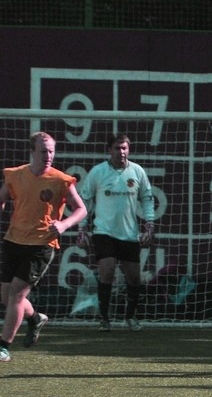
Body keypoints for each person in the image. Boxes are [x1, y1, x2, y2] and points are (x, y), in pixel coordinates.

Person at [0, 131, 87, 361]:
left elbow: (81, 209)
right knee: (6, 297)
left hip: (41, 244)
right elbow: (2, 198)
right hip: (13, 240)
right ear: (32, 152)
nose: (48, 156)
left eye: (51, 151)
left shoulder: (61, 180)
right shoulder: (16, 175)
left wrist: (64, 224)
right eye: (43, 151)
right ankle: (35, 318)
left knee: (16, 294)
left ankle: (4, 347)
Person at [76, 133, 155, 331]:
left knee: (134, 277)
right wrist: (82, 228)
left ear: (129, 150)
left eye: (124, 148)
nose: (121, 152)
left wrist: (149, 224)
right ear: (109, 150)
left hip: (129, 233)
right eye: (117, 148)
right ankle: (104, 319)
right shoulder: (98, 172)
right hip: (104, 232)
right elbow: (86, 201)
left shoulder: (137, 171)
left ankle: (130, 317)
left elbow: (147, 198)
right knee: (108, 270)